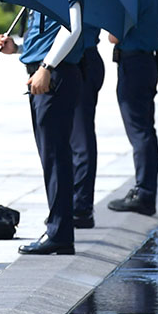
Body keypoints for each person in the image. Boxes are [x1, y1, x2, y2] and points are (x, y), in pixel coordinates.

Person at [0, 0, 84, 256]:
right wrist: (17, 46)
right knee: (50, 155)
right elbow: (41, 32)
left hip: (53, 77)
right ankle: (57, 227)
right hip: (40, 72)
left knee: (56, 155)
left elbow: (73, 26)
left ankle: (59, 231)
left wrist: (46, 66)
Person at [106, 0, 158, 217]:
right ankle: (147, 190)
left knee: (139, 131)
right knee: (147, 129)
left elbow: (114, 35)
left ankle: (143, 193)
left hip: (134, 64)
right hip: (149, 63)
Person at [71, 24, 104, 230]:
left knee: (80, 139)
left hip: (81, 59)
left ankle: (80, 208)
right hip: (81, 58)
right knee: (74, 139)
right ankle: (75, 205)